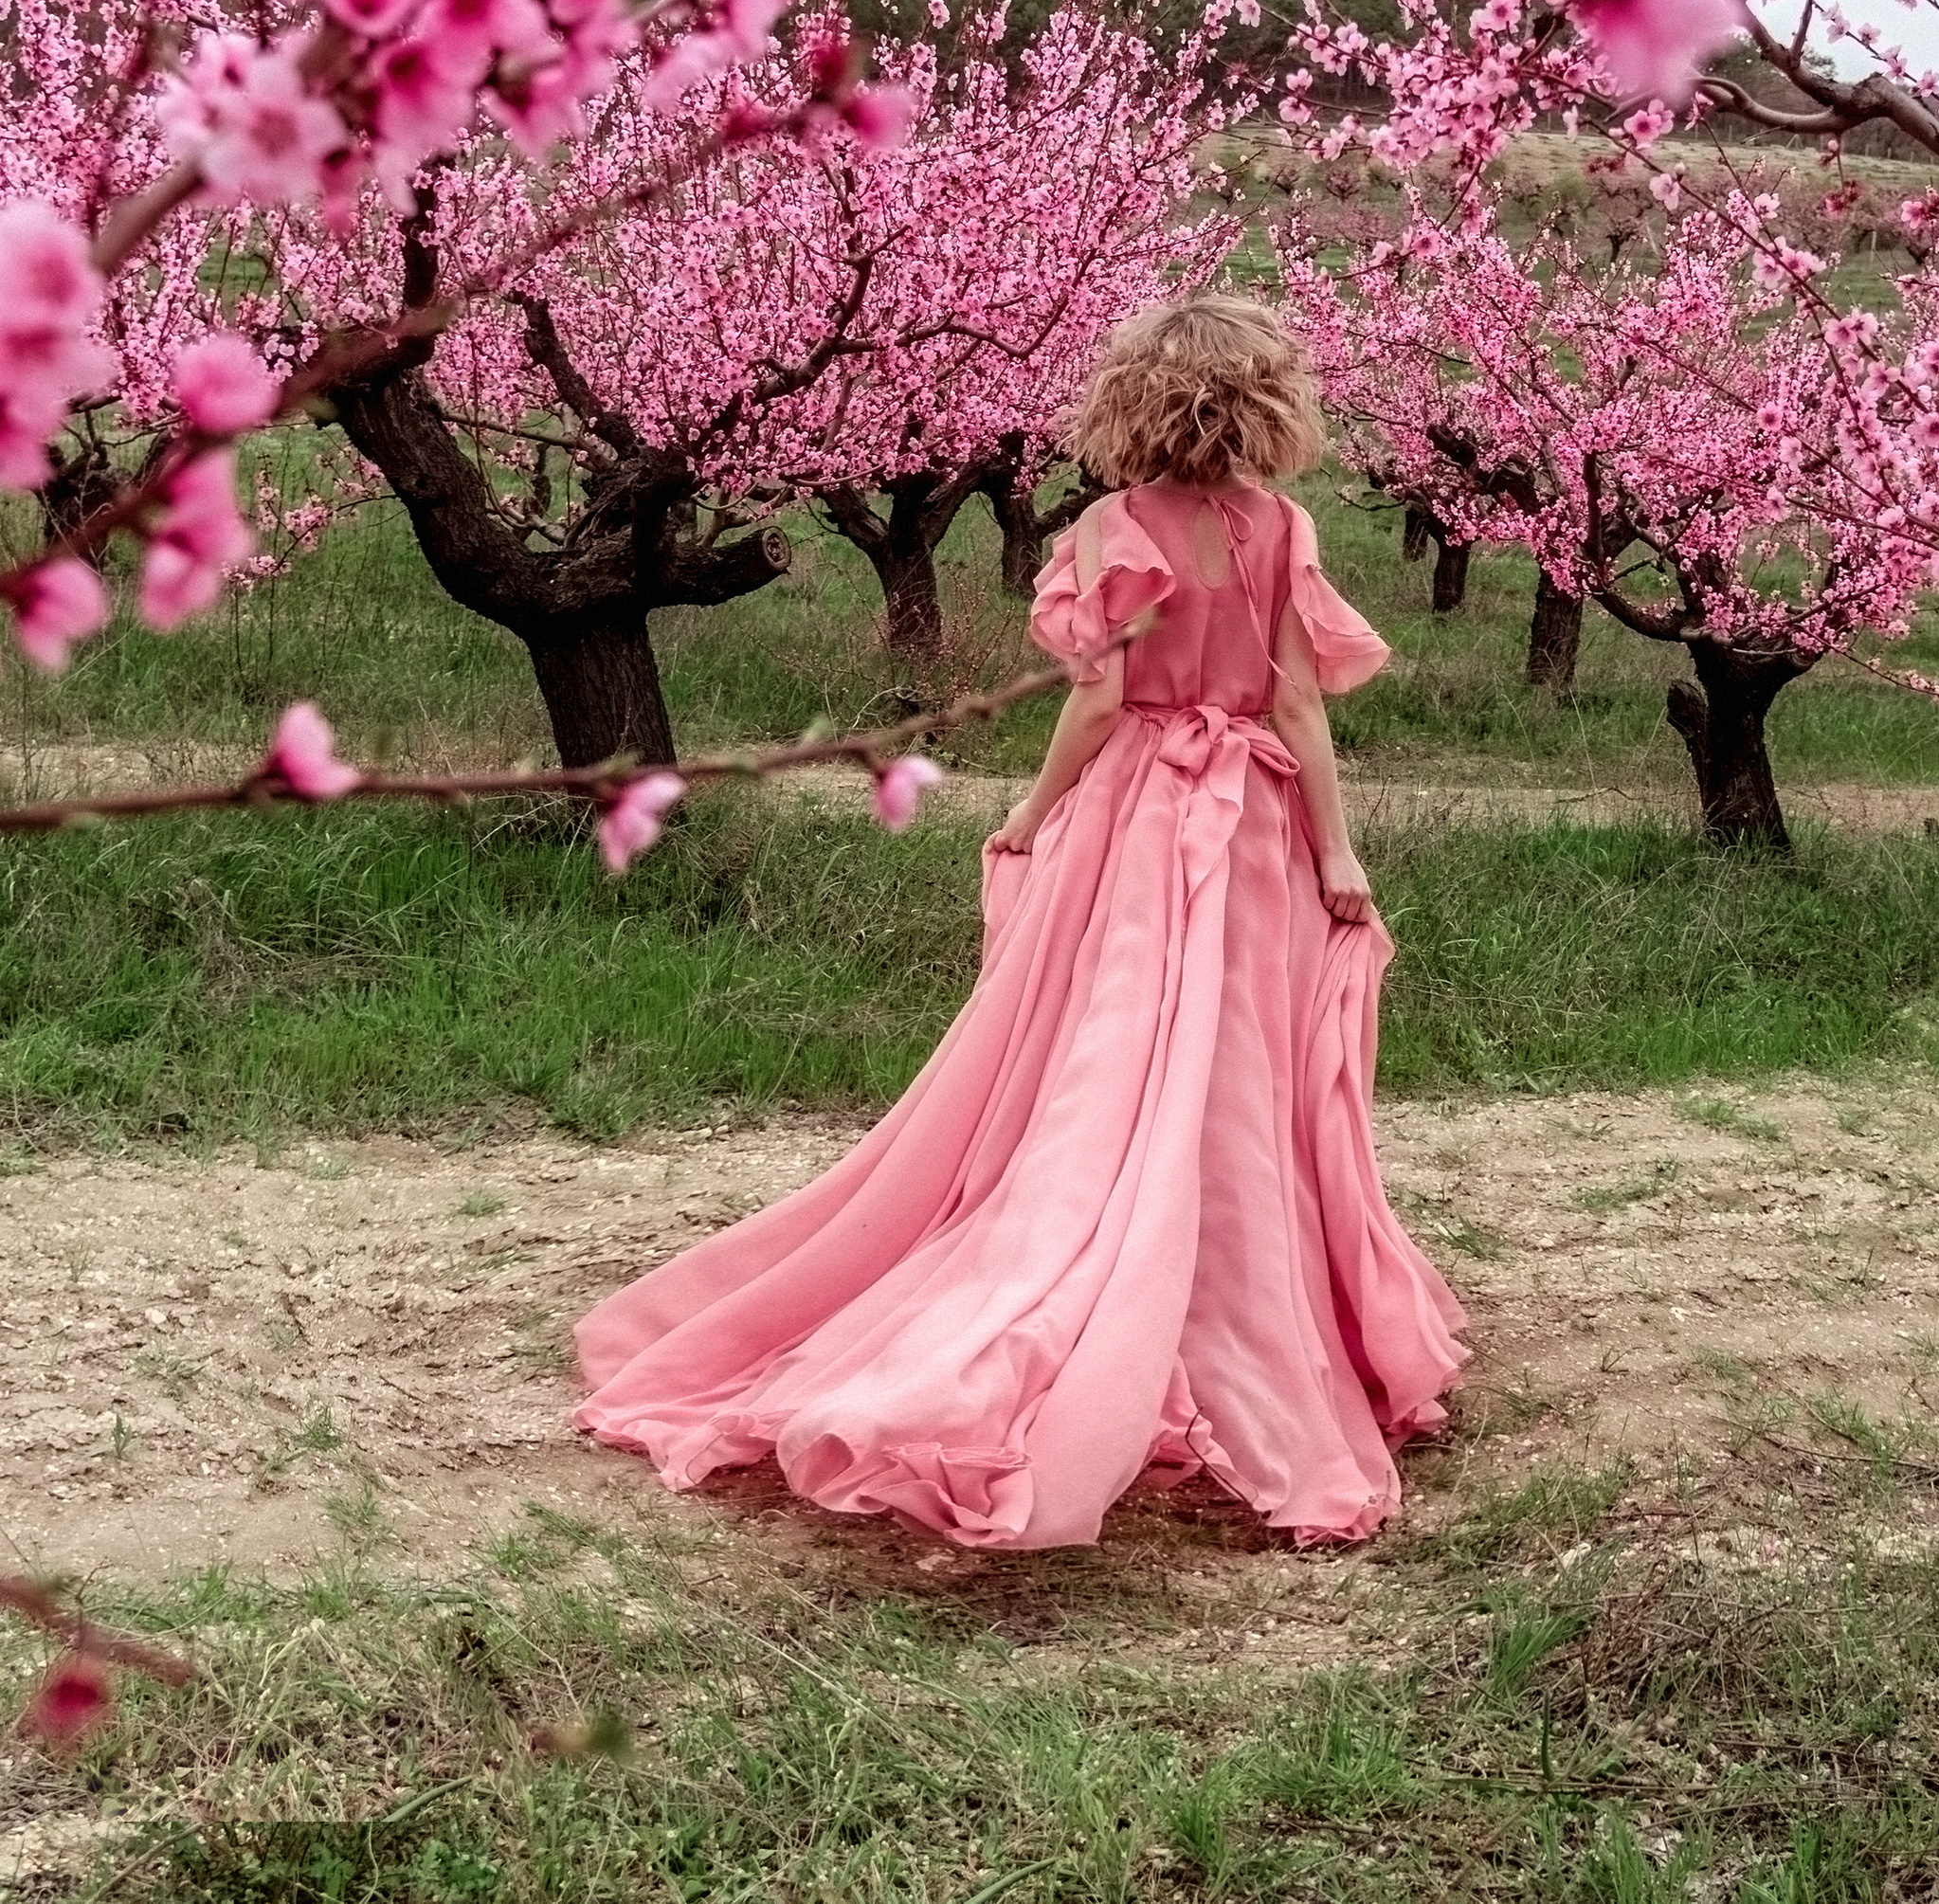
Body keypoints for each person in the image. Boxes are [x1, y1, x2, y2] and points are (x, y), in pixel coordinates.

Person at [573, 291, 1465, 1550]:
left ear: (1138, 399)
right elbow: (1302, 711)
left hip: (1136, 819)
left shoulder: (1112, 525)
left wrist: (1033, 811)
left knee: (1100, 1064)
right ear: (1265, 402)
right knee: (1227, 1071)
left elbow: (1098, 703)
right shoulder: (1282, 527)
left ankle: (1098, 1275)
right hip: (1254, 821)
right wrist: (1340, 850)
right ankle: (1233, 1310)